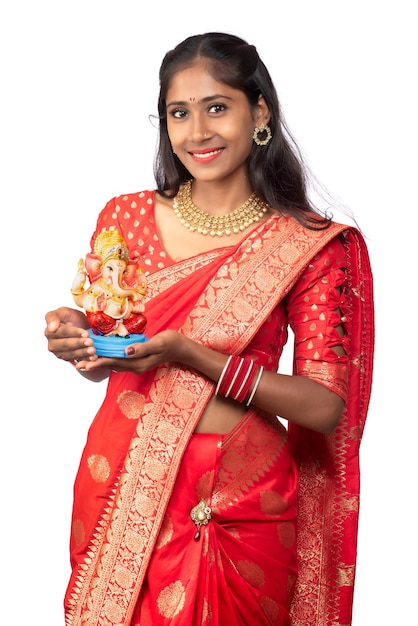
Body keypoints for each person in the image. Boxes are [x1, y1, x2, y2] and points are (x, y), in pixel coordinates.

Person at [44, 32, 374, 626]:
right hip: (126, 480)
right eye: (179, 112)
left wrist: (198, 357)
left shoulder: (311, 244)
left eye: (217, 107)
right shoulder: (125, 220)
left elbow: (325, 406)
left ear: (260, 112)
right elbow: (111, 342)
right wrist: (78, 337)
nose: (198, 132)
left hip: (238, 500)